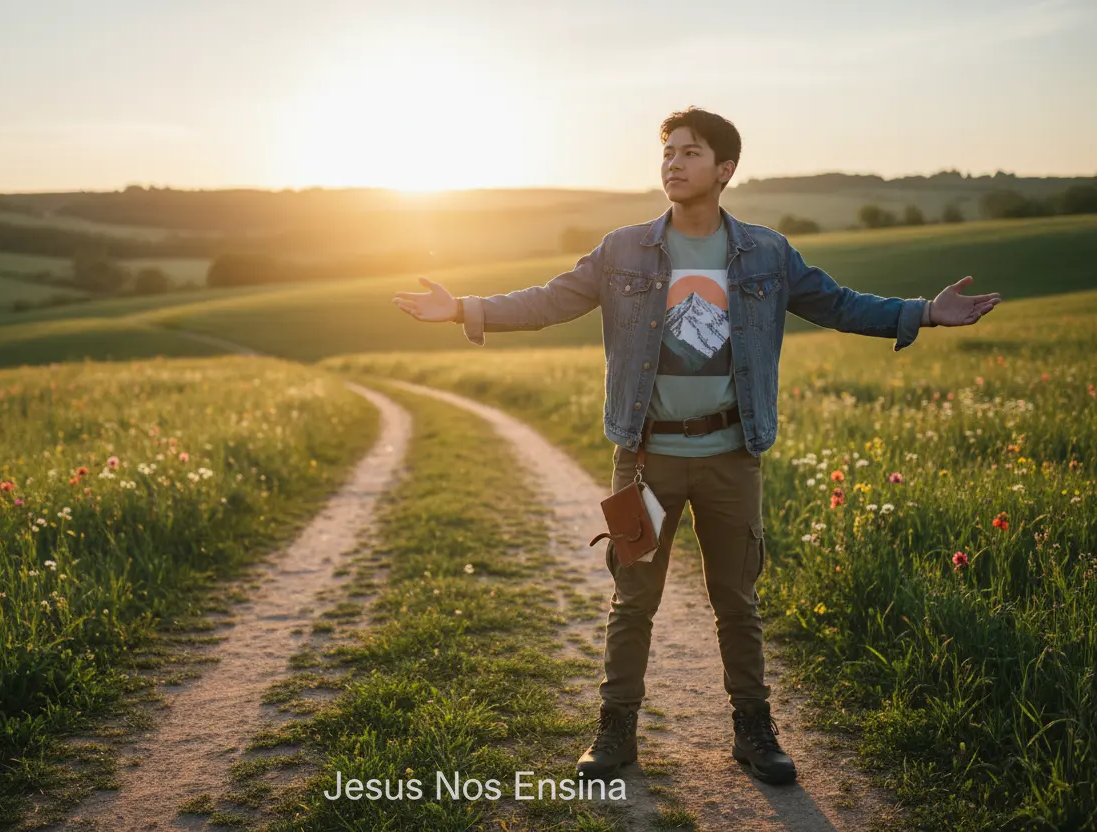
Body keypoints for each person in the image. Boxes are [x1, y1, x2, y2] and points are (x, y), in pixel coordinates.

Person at [390, 106, 1001, 786]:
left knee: (737, 600)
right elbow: (550, 300)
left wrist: (921, 312)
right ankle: (615, 732)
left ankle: (754, 730)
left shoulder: (767, 254)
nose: (673, 163)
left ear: (725, 170)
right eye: (668, 153)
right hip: (644, 460)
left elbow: (838, 304)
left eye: (690, 153)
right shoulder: (623, 249)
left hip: (732, 457)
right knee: (634, 597)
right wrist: (464, 309)